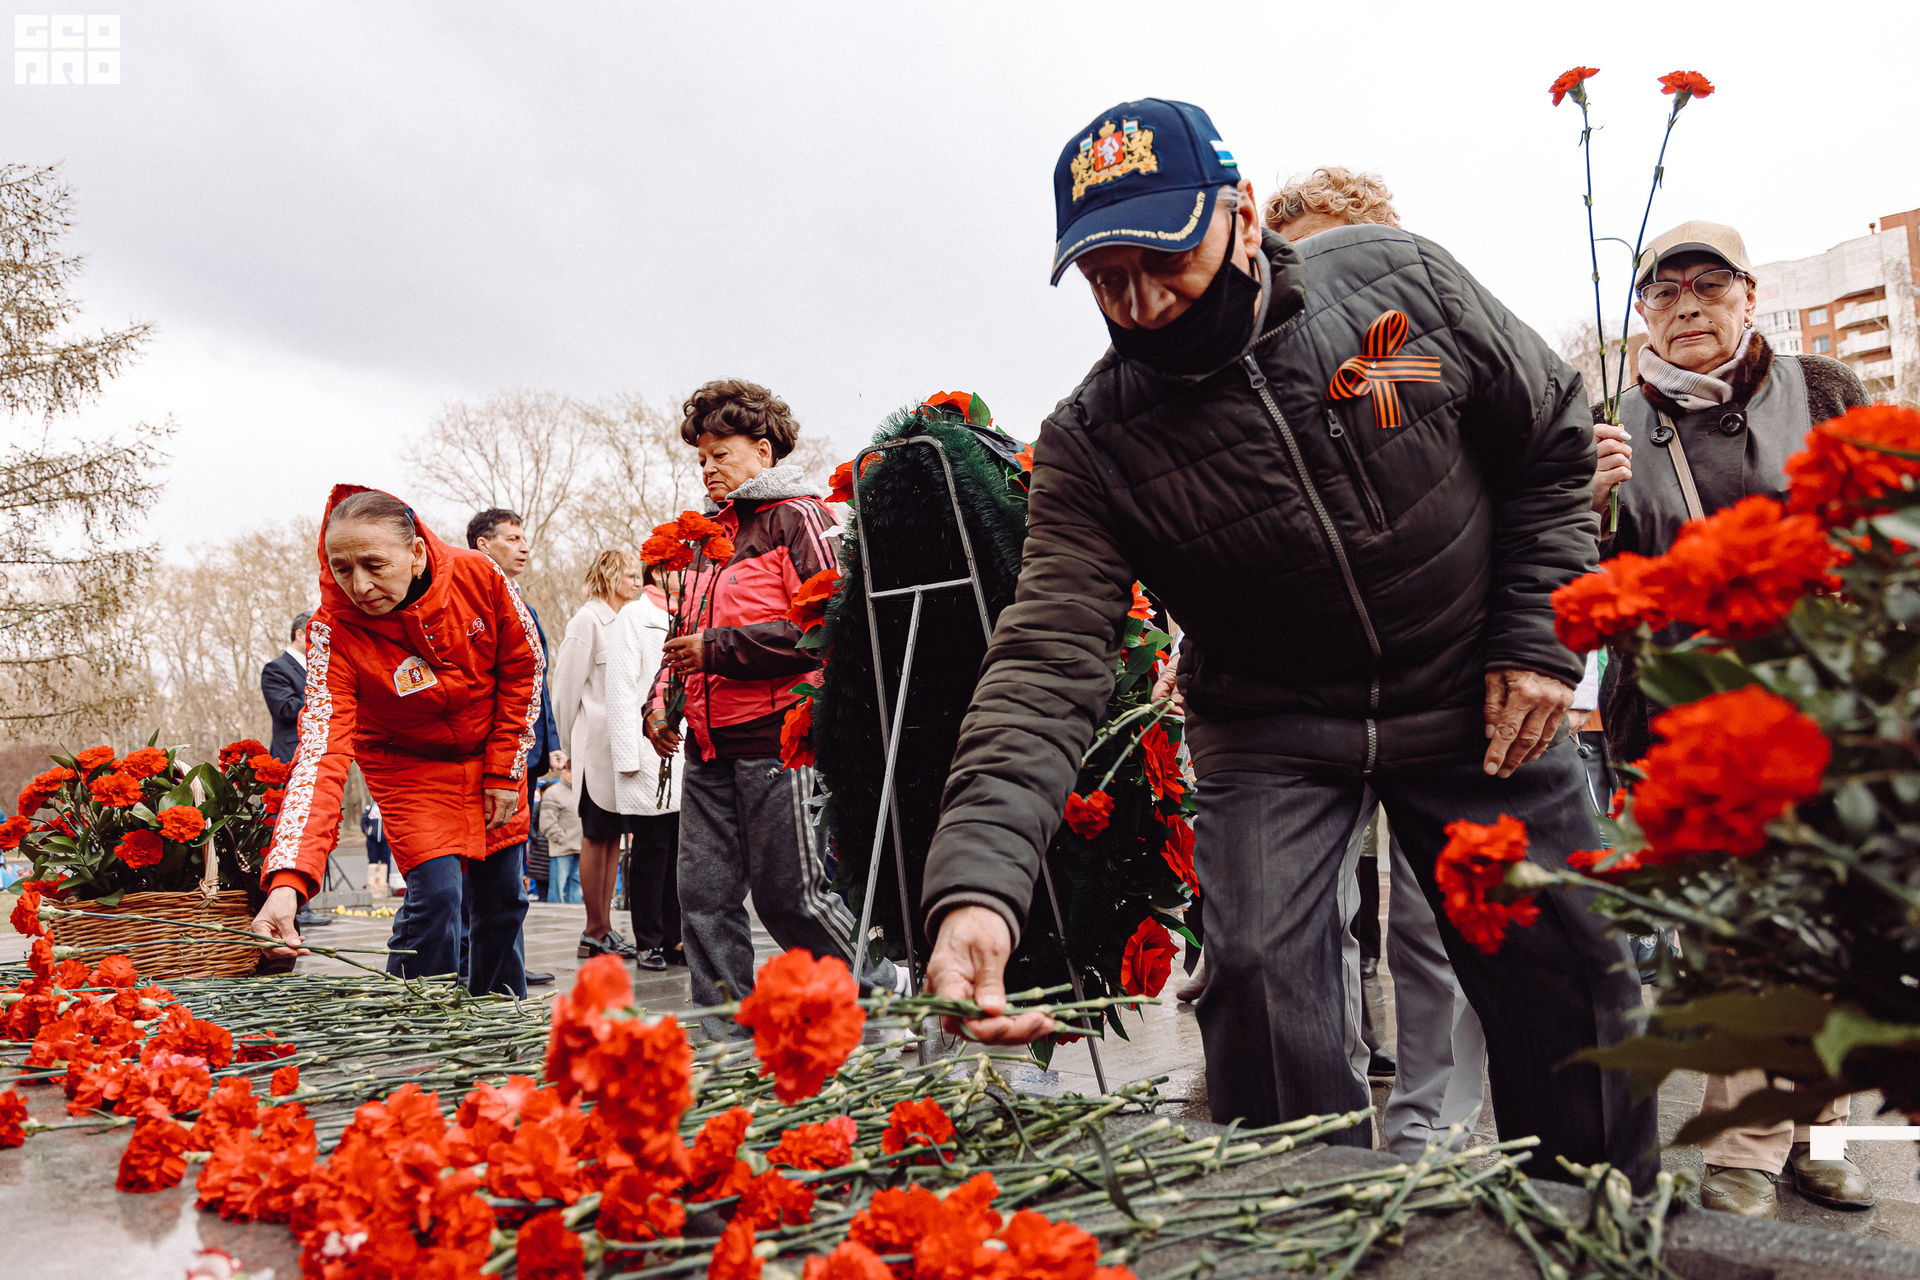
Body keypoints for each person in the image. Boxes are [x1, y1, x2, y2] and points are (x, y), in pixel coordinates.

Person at [919, 98, 1654, 1189]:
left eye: (1161, 260)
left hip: (1475, 682)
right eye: (1104, 277)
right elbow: (1046, 658)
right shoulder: (1092, 442)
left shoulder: (1398, 288)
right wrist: (976, 886)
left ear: (1242, 210)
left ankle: (1598, 1217)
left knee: (1564, 962)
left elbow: (1552, 440)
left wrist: (1540, 634)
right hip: (1273, 722)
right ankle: (1311, 1220)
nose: (1140, 303)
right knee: (1259, 976)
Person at [1593, 220, 1873, 1217]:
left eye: (1710, 285)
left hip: (1821, 698)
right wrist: (1591, 501)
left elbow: (1878, 513)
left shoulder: (1827, 387)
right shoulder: (1612, 420)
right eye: (1666, 292)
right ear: (1643, 312)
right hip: (1681, 718)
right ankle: (1752, 1144)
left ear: (1750, 295)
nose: (1689, 305)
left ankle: (1806, 1136)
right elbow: (1582, 577)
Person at [647, 379, 907, 1041]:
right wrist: (661, 705)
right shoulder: (706, 539)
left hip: (777, 740)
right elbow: (684, 631)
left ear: (763, 451)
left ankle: (878, 991)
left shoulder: (803, 518)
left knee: (792, 896)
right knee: (702, 898)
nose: (708, 468)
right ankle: (723, 1029)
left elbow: (833, 623)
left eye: (721, 453)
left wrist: (723, 649)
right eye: (700, 457)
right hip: (707, 747)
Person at [251, 486, 539, 998]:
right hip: (409, 767)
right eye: (343, 568)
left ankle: (498, 1015)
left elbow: (524, 667)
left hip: (491, 754)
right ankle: (419, 1019)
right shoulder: (332, 634)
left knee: (503, 899)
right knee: (438, 895)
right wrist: (288, 882)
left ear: (417, 553)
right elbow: (320, 752)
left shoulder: (481, 575)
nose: (359, 585)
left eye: (374, 564)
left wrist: (503, 769)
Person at [468, 507, 562, 986]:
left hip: (524, 751)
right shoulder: (474, 597)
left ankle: (509, 965)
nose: (525, 546)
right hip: (492, 755)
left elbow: (535, 679)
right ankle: (480, 970)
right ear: (484, 545)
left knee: (512, 866)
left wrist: (552, 742)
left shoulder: (519, 597)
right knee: (490, 868)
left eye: (526, 538)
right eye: (513, 538)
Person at [553, 549, 647, 958]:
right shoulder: (586, 621)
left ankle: (604, 927)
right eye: (629, 575)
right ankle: (594, 929)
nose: (638, 582)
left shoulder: (627, 622)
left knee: (612, 838)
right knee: (595, 835)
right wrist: (567, 749)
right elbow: (564, 692)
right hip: (594, 749)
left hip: (623, 751)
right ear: (609, 577)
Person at [606, 561, 685, 970]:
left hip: (681, 753)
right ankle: (649, 939)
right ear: (657, 574)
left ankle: (675, 936)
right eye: (675, 569)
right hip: (645, 749)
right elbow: (619, 685)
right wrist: (627, 755)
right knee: (651, 849)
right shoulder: (634, 615)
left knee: (677, 851)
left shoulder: (686, 611)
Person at [261, 612, 313, 763]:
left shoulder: (316, 668)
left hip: (322, 754)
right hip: (291, 755)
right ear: (299, 634)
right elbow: (286, 709)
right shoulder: (275, 669)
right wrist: (324, 696)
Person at [539, 764, 584, 905]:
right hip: (562, 848)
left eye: (574, 770)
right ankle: (555, 918)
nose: (571, 774)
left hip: (581, 847)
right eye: (568, 770)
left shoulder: (582, 790)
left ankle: (576, 918)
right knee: (557, 887)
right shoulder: (553, 792)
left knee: (577, 887)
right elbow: (546, 821)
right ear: (562, 772)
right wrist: (560, 838)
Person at [526, 779, 553, 902]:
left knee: (549, 877)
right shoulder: (538, 806)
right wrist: (536, 838)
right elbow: (531, 823)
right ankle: (542, 898)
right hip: (540, 848)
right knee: (540, 876)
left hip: (551, 847)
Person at [359, 801, 393, 897]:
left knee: (386, 862)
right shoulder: (369, 809)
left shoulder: (387, 808)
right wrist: (367, 831)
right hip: (372, 841)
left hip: (385, 841)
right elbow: (363, 822)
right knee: (372, 861)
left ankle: (385, 883)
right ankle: (372, 884)